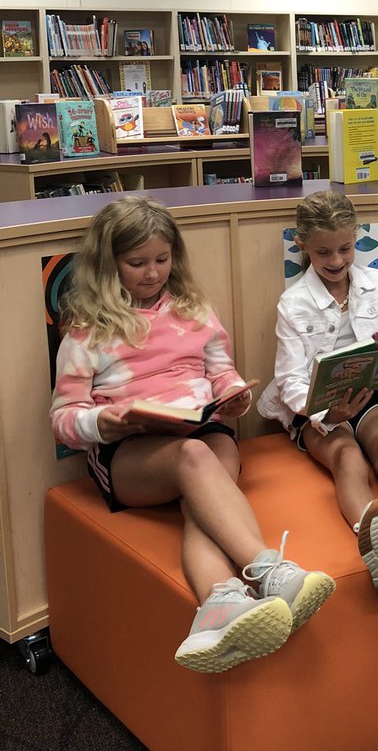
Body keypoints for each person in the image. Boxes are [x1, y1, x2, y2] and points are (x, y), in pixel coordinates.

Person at [49, 197, 335, 674]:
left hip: (200, 429)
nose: (152, 273)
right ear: (108, 263)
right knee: (194, 458)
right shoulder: (87, 330)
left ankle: (219, 604)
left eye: (162, 260)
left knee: (209, 461)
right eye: (136, 263)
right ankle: (269, 570)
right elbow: (62, 416)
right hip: (130, 454)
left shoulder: (193, 309)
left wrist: (233, 394)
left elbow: (220, 372)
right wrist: (103, 423)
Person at [258, 190, 378, 601]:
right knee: (347, 455)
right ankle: (374, 534)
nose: (336, 261)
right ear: (303, 246)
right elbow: (290, 380)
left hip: (373, 393)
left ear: (357, 239)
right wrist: (325, 410)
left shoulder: (377, 284)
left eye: (345, 249)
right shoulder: (293, 303)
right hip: (318, 409)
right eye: (323, 252)